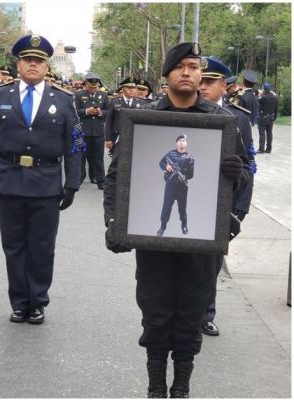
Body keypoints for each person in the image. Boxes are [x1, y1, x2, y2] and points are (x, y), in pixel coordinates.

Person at [104, 42, 249, 398]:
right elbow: (116, 176)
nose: (188, 72)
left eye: (194, 67)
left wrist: (236, 177)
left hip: (202, 244)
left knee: (191, 313)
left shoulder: (221, 123)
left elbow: (243, 174)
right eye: (180, 66)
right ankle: (155, 385)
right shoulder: (145, 120)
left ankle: (181, 385)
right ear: (166, 75)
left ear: (202, 76)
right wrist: (113, 222)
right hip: (153, 243)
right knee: (155, 312)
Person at [0, 34, 83, 325]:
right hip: (8, 179)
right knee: (13, 246)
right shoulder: (0, 96)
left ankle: (37, 301)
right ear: (19, 64)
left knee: (41, 246)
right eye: (27, 60)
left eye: (38, 61)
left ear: (46, 65)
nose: (33, 65)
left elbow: (74, 143)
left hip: (46, 181)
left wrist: (72, 183)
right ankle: (19, 301)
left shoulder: (63, 99)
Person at [199, 56, 256, 337]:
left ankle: (206, 314)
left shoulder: (239, 119)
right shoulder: (187, 111)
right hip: (190, 197)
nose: (203, 87)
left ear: (224, 85)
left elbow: (249, 167)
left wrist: (241, 208)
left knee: (211, 263)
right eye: (201, 81)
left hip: (221, 204)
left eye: (209, 82)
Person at [74, 72, 108, 189]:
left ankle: (101, 180)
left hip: (98, 131)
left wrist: (100, 112)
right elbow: (76, 112)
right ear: (86, 84)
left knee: (98, 158)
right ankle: (79, 177)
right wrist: (87, 111)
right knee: (81, 157)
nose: (92, 89)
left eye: (95, 87)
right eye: (90, 87)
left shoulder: (103, 95)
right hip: (83, 131)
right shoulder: (79, 95)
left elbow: (108, 111)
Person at [156, 135, 194, 237]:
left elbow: (191, 174)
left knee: (182, 208)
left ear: (186, 143)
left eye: (183, 140)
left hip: (182, 186)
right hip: (170, 185)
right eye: (179, 140)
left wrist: (184, 175)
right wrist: (166, 167)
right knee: (166, 206)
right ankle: (162, 227)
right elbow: (161, 163)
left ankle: (184, 225)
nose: (181, 142)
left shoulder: (189, 157)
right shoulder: (170, 154)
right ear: (176, 143)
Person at [105, 76, 141, 155]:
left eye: (134, 88)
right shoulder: (114, 102)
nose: (132, 90)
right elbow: (109, 122)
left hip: (134, 137)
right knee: (116, 163)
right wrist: (108, 139)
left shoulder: (139, 103)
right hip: (117, 137)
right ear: (123, 89)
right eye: (129, 88)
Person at [257, 83, 279, 153]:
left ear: (264, 89)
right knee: (269, 133)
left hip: (263, 118)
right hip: (271, 118)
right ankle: (269, 149)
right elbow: (276, 109)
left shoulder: (263, 97)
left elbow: (257, 101)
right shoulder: (275, 97)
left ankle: (261, 149)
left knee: (262, 133)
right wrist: (274, 118)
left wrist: (260, 94)